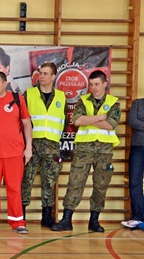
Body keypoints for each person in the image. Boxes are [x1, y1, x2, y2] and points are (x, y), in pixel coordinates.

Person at [52, 70, 120, 232]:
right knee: (75, 183)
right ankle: (66, 220)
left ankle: (94, 220)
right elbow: (77, 120)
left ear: (105, 84)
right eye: (91, 85)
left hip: (104, 151)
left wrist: (88, 120)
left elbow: (110, 125)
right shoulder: (82, 101)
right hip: (83, 150)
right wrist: (101, 117)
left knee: (101, 185)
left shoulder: (113, 102)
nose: (93, 87)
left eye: (97, 84)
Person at [0, 71, 32, 233]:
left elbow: (26, 123)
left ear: (4, 84)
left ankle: (17, 222)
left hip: (15, 152)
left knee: (14, 188)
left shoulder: (17, 99)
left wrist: (28, 147)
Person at [21, 62, 66, 228]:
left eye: (46, 74)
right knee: (26, 179)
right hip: (31, 144)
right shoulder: (29, 94)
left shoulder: (61, 97)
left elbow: (63, 121)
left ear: (53, 76)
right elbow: (20, 120)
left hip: (52, 145)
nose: (42, 76)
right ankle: (21, 215)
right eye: (40, 73)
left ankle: (46, 215)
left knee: (49, 181)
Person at [124, 97, 144, 229]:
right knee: (135, 182)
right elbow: (132, 121)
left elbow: (137, 122)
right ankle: (138, 217)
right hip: (138, 148)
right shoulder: (138, 103)